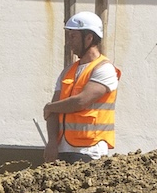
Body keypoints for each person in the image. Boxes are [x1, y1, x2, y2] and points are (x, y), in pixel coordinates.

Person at [43, 11, 121, 163]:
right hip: (62, 150)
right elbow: (54, 111)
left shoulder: (104, 69)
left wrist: (50, 107)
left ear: (89, 38)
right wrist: (52, 142)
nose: (69, 42)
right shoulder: (67, 71)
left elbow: (81, 101)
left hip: (90, 150)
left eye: (73, 36)